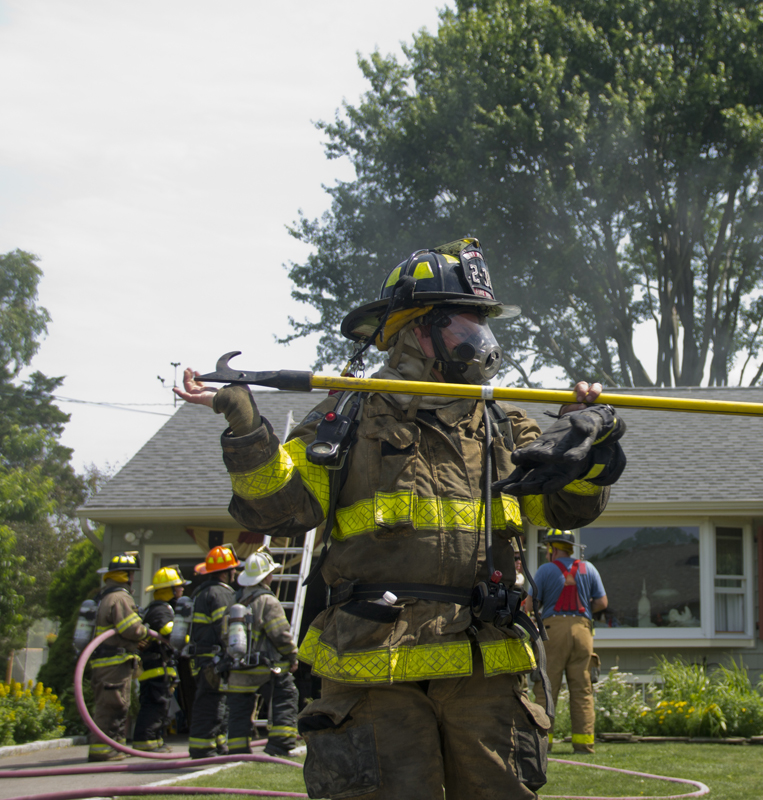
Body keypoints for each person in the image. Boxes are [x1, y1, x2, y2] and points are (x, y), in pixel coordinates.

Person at [175, 237, 627, 800]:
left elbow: (556, 507)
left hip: (486, 658)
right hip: (370, 661)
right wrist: (246, 429)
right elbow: (285, 510)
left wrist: (584, 449)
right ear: (416, 331)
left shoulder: (502, 425)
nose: (481, 344)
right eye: (465, 328)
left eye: (482, 328)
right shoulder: (346, 415)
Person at [531, 529, 607, 755]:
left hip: (552, 631)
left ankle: (544, 743)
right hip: (583, 632)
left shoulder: (545, 570)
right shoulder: (589, 568)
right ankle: (584, 745)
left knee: (546, 688)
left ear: (553, 549)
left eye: (548, 548)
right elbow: (602, 602)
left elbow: (529, 605)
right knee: (583, 689)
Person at [225, 551, 300, 757]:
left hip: (237, 669)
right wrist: (292, 656)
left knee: (239, 710)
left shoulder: (234, 600)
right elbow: (280, 634)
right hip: (267, 669)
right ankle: (280, 744)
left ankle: (237, 750)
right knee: (285, 696)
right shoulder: (268, 601)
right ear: (266, 577)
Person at [86, 551, 148, 762]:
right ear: (128, 575)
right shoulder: (120, 597)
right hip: (114, 663)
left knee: (114, 705)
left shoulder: (104, 596)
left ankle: (114, 748)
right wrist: (145, 631)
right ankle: (104, 750)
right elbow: (130, 628)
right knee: (113, 705)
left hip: (107, 662)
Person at [188, 544, 239, 759]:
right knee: (211, 702)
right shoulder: (220, 594)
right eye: (233, 569)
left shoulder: (201, 592)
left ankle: (218, 743)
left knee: (217, 700)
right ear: (226, 571)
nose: (235, 573)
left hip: (203, 657)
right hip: (214, 659)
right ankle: (203, 746)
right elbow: (224, 628)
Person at [131, 565, 188, 753]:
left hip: (157, 666)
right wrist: (188, 636)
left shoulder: (159, 608)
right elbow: (169, 632)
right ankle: (145, 740)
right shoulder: (161, 610)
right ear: (168, 590)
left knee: (160, 705)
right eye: (178, 587)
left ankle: (154, 741)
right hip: (156, 666)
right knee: (155, 704)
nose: (182, 590)